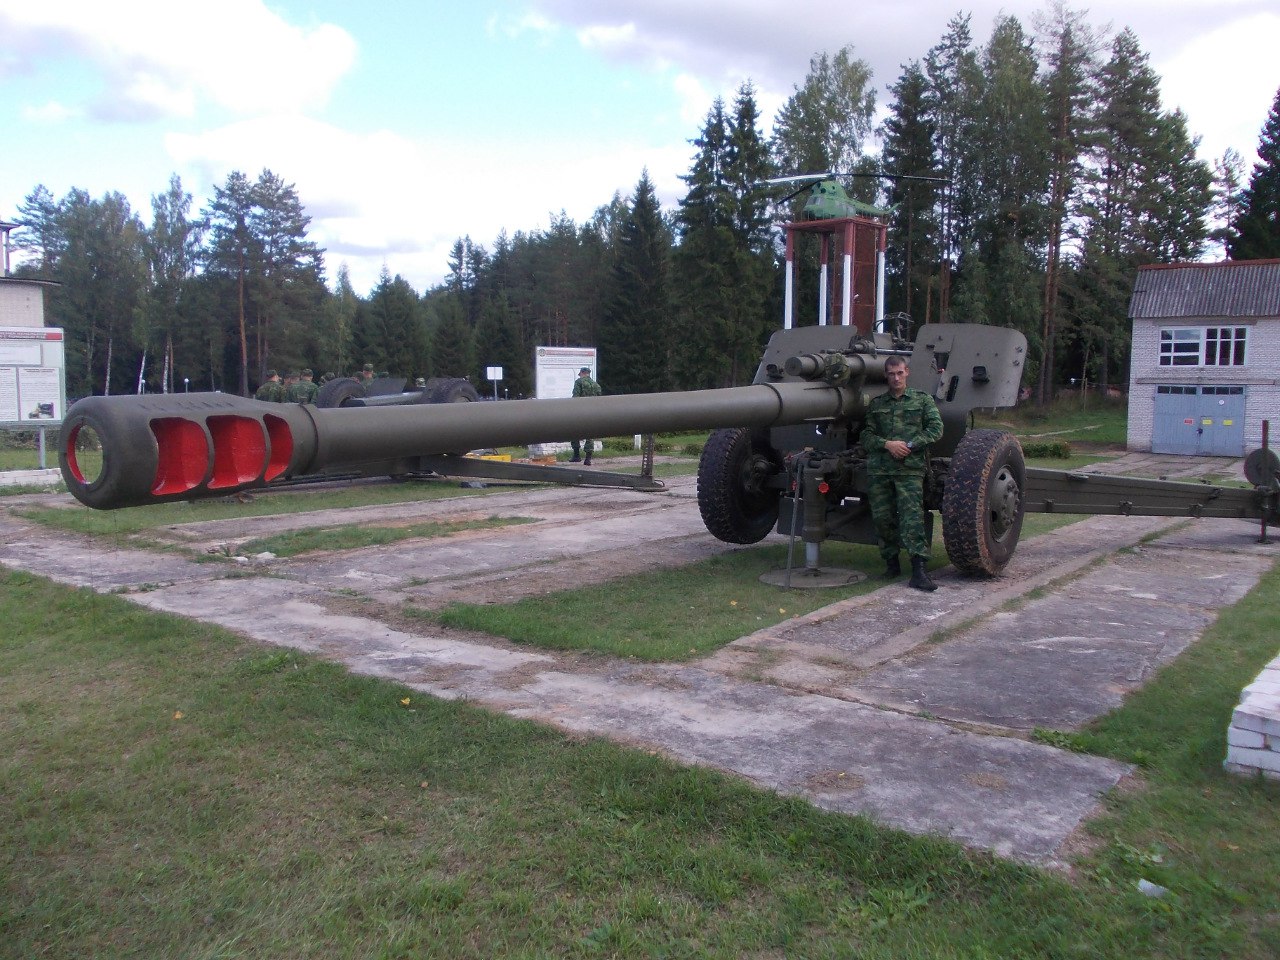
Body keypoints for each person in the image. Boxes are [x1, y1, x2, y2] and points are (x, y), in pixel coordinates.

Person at [861, 355, 944, 591]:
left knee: (912, 519)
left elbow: (936, 429)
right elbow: (866, 436)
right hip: (880, 470)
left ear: (907, 372)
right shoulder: (877, 405)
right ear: (886, 375)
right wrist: (887, 444)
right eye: (891, 374)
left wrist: (910, 445)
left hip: (909, 470)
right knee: (882, 518)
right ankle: (891, 564)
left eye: (899, 373)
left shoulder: (922, 400)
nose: (896, 378)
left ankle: (919, 570)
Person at [569, 366, 601, 465]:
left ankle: (576, 455)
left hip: (580, 412)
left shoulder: (579, 382)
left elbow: (576, 398)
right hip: (592, 413)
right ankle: (588, 459)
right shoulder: (596, 385)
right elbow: (599, 400)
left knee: (574, 432)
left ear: (582, 373)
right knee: (590, 435)